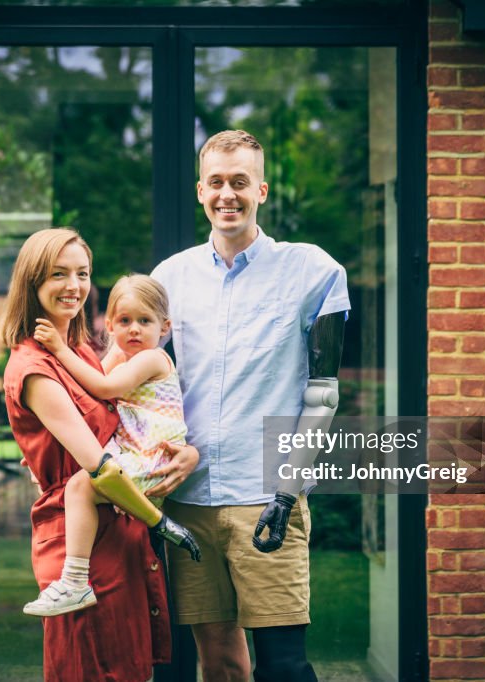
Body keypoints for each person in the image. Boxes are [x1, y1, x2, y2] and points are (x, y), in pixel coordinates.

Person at [150, 130, 350, 682]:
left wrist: (288, 492)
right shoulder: (168, 279)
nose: (227, 195)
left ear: (261, 189)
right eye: (216, 182)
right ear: (200, 190)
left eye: (240, 182)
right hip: (188, 500)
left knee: (284, 666)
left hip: (267, 498)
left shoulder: (313, 272)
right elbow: (136, 384)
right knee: (215, 660)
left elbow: (324, 393)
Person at [0, 228, 200, 681]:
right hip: (84, 549)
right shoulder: (35, 365)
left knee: (128, 670)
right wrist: (158, 521)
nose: (73, 284)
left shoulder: (81, 351)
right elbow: (98, 466)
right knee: (87, 669)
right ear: (33, 281)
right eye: (58, 273)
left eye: (82, 273)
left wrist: (187, 453)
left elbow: (126, 419)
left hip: (119, 532)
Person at [24, 273, 201, 618]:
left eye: (144, 321)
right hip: (132, 452)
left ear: (164, 327)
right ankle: (76, 579)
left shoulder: (152, 360)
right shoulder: (121, 355)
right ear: (109, 324)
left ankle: (75, 581)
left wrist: (59, 349)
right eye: (124, 320)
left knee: (80, 487)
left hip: (153, 459)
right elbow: (85, 397)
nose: (134, 329)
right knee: (80, 475)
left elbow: (103, 388)